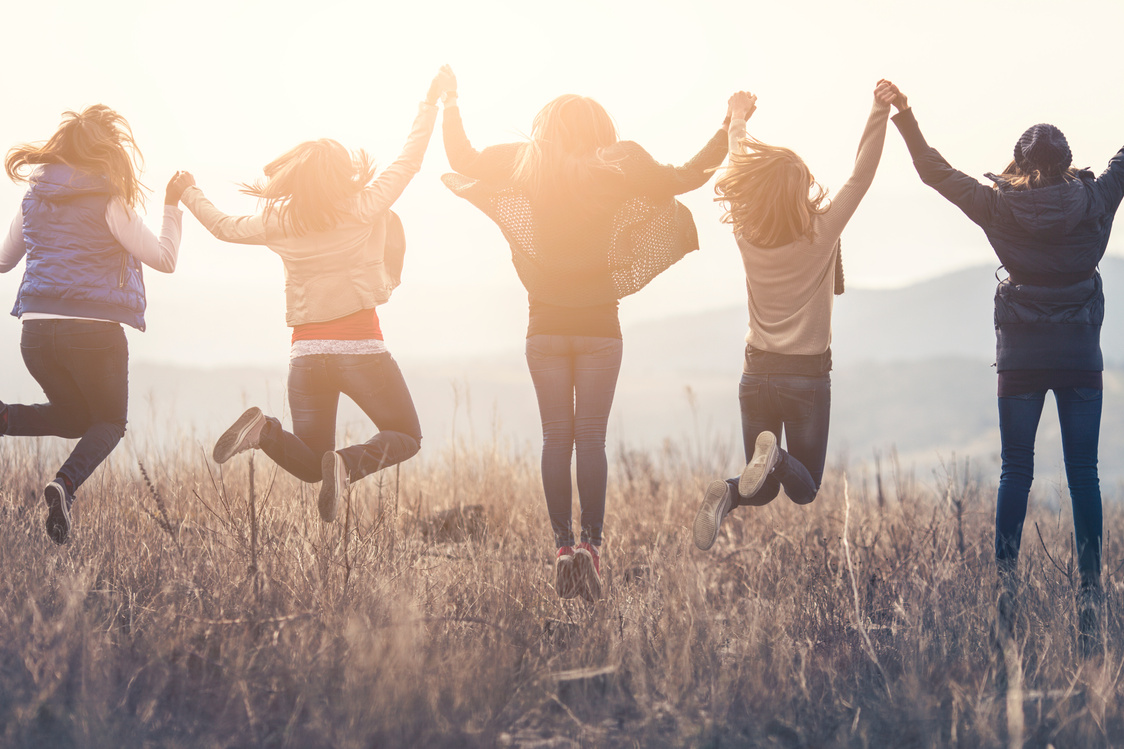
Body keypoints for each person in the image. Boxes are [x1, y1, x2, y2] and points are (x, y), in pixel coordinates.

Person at [442, 76, 730, 601]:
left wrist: (450, 101)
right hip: (599, 329)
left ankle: (562, 548)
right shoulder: (619, 165)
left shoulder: (525, 162)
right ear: (601, 129)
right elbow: (689, 176)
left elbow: (461, 157)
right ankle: (592, 549)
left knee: (557, 438)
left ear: (545, 127)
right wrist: (731, 125)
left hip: (544, 329)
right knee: (591, 439)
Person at [888, 87, 1123, 656]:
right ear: (1068, 163)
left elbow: (933, 172)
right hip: (1078, 356)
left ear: (1019, 164)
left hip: (1019, 356)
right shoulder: (1097, 200)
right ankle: (1091, 587)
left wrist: (905, 115)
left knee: (1016, 469)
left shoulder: (996, 206)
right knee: (1084, 472)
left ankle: (1007, 581)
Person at [177, 66, 456, 523]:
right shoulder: (364, 205)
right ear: (342, 174)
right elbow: (409, 159)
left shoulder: (279, 222)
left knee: (311, 465)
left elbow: (224, 228)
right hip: (360, 348)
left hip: (305, 356)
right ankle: (346, 464)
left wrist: (188, 191)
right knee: (405, 435)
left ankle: (264, 432)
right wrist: (430, 104)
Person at [693, 81, 899, 551]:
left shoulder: (746, 231)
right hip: (806, 379)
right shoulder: (821, 232)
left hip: (756, 373)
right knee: (803, 490)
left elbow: (739, 156)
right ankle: (779, 460)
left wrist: (738, 116)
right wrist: (878, 109)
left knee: (755, 488)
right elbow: (861, 176)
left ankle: (726, 493)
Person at [0, 104, 186, 544]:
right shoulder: (109, 200)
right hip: (94, 334)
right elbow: (164, 259)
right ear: (107, 153)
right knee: (109, 422)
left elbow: (3, 262)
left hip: (37, 335)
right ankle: (64, 485)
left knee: (73, 417)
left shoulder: (34, 199)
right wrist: (173, 206)